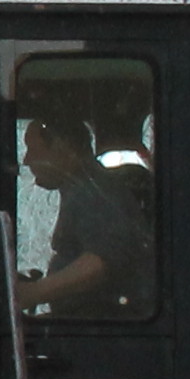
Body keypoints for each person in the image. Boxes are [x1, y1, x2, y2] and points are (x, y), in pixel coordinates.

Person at [15, 114, 153, 316]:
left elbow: (100, 263)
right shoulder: (82, 188)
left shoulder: (94, 191)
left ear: (64, 148)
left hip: (105, 326)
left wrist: (34, 292)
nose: (26, 160)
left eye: (33, 150)